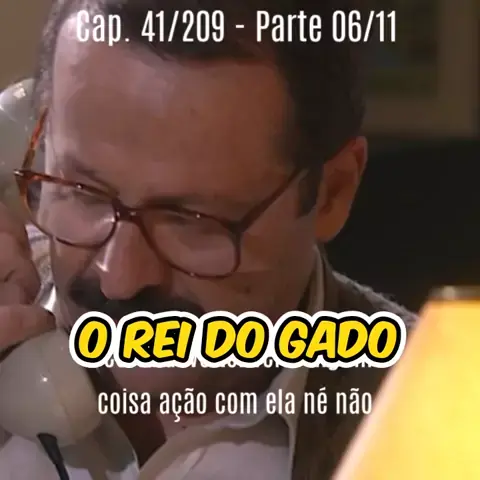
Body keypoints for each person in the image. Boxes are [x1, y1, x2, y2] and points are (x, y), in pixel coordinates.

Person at [0, 0, 416, 478]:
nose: (119, 279)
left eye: (191, 219)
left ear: (332, 193)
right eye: (82, 193)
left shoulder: (444, 423)